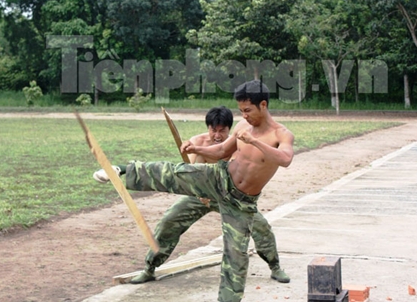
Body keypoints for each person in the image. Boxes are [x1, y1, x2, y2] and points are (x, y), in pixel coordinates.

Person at [94, 81, 295, 302]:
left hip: (241, 202)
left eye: (247, 110)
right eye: (241, 111)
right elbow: (220, 151)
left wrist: (255, 142)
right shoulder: (241, 128)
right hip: (220, 178)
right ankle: (121, 170)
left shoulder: (281, 134)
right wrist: (196, 148)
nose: (244, 116)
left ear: (263, 105)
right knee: (177, 173)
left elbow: (285, 159)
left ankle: (264, 273)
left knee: (236, 258)